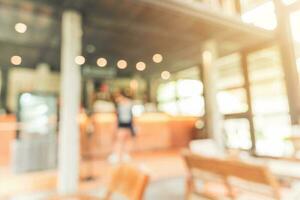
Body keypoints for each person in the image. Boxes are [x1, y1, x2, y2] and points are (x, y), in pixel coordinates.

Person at [109, 89, 135, 163]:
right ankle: (115, 155)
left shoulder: (129, 103)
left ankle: (125, 155)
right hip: (121, 124)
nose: (117, 98)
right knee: (119, 140)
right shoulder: (118, 104)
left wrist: (134, 125)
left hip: (128, 123)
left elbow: (132, 115)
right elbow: (117, 116)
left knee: (128, 140)